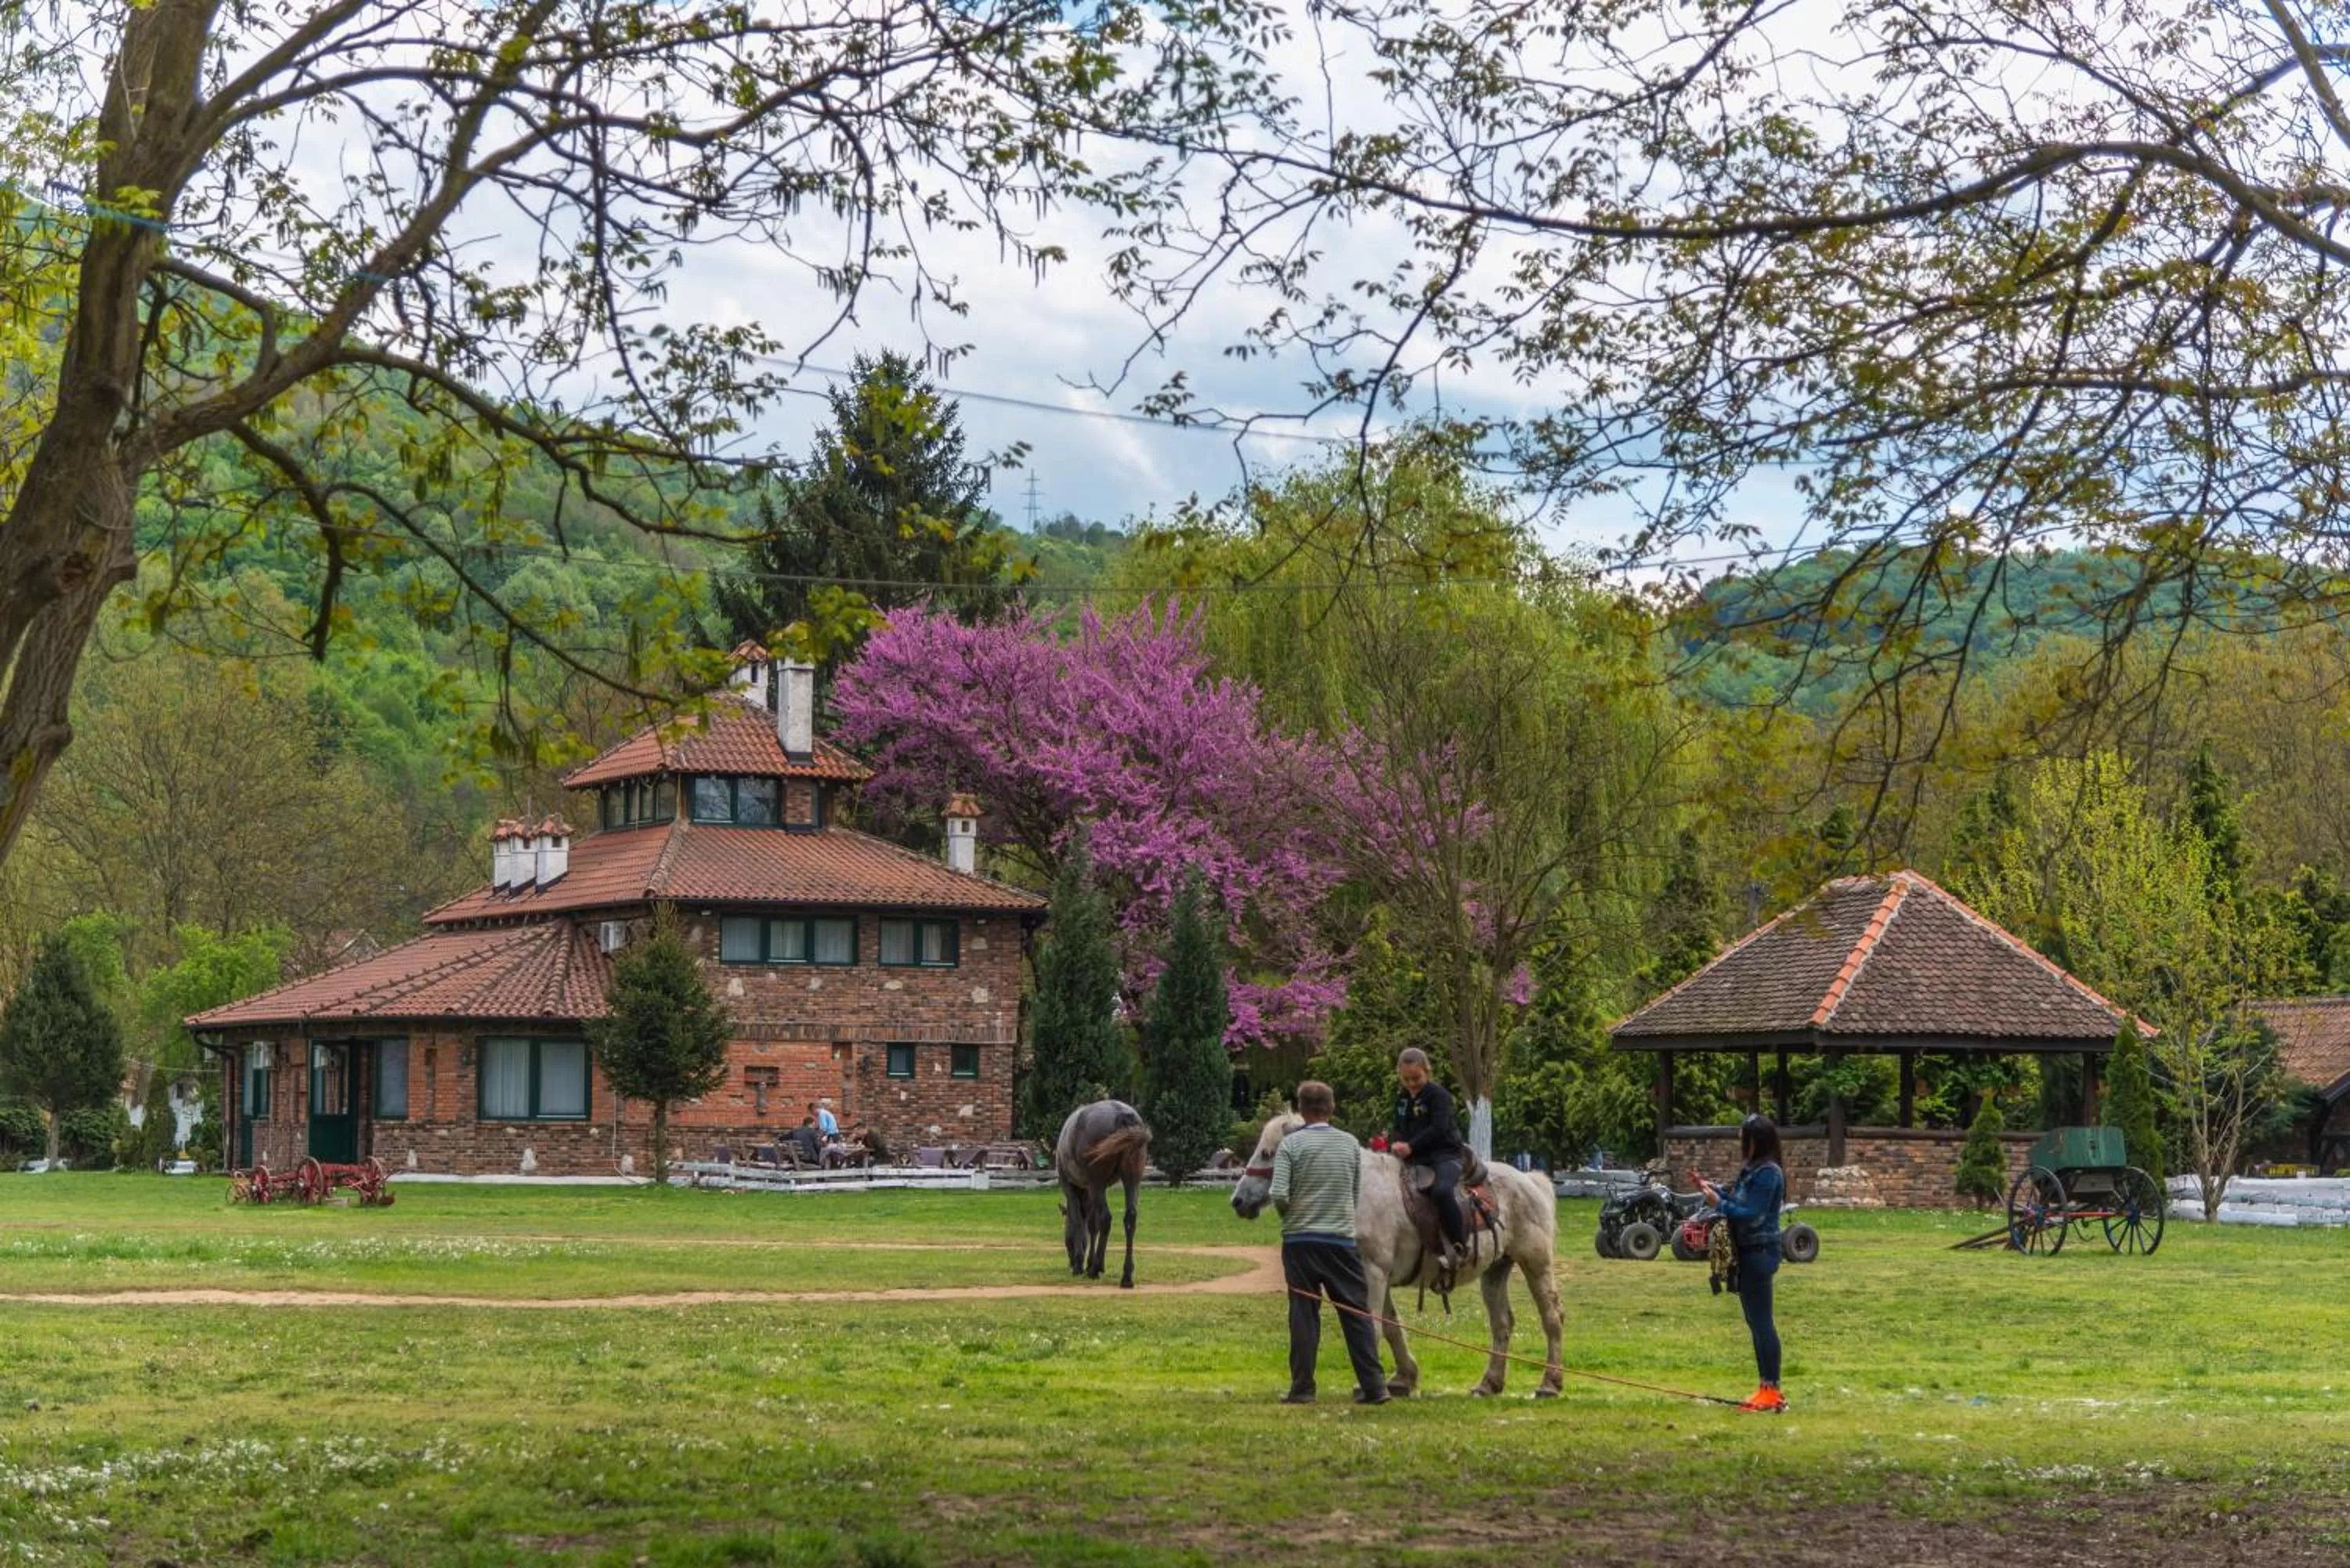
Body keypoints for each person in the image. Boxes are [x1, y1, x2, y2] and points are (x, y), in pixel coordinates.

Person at [1271, 1080, 1388, 1406]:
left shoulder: (1290, 1145)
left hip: (1300, 1242)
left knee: (1303, 1313)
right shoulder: (1350, 1144)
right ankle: (1375, 1387)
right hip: (1340, 1241)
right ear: (1332, 1108)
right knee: (1356, 1313)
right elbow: (1353, 1192)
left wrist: (1289, 1216)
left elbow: (1278, 1193)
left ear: (1301, 1109)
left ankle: (1302, 1388)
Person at [1700, 1115, 1788, 1414]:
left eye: (1744, 1138)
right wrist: (1716, 1191)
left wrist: (1719, 1205)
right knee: (1755, 1322)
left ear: (1756, 1141)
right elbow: (1739, 1200)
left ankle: (1772, 1389)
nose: (1741, 1143)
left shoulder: (1770, 1173)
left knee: (1762, 1323)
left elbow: (1753, 1214)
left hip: (1760, 1253)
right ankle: (1765, 1387)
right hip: (1746, 1253)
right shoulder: (1752, 1170)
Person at [1389, 1047, 1466, 1272]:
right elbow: (1398, 1127)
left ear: (1427, 1071)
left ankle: (1459, 1245)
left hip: (1445, 1155)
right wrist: (1396, 1143)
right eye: (1406, 1079)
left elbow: (1439, 1128)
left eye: (1416, 1078)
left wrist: (1411, 1146)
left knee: (1442, 1191)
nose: (1411, 1083)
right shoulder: (1402, 1099)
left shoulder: (1439, 1096)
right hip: (1413, 1159)